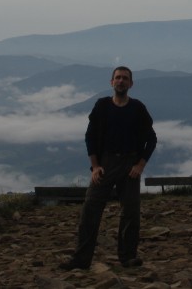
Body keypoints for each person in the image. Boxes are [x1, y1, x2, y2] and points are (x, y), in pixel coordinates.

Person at [61, 66, 157, 270]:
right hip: (105, 164)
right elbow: (90, 137)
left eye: (125, 78)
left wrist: (140, 165)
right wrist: (95, 167)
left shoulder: (138, 108)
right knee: (90, 209)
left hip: (130, 164)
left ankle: (128, 257)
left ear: (131, 84)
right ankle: (81, 259)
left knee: (131, 211)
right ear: (111, 82)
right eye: (118, 78)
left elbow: (152, 139)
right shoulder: (102, 106)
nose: (121, 81)